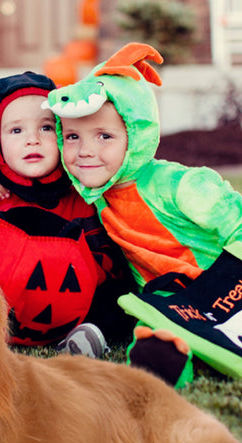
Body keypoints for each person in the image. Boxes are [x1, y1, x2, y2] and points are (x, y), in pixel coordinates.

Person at [43, 42, 242, 385]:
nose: (85, 151)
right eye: (73, 136)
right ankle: (162, 358)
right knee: (148, 321)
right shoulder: (96, 190)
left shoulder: (176, 185)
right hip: (169, 299)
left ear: (135, 137)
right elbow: (35, 185)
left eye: (104, 135)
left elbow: (235, 222)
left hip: (222, 284)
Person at [0, 71, 135, 352]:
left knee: (122, 299)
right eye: (16, 130)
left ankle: (89, 336)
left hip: (82, 305)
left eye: (46, 128)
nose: (33, 140)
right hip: (0, 310)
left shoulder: (84, 194)